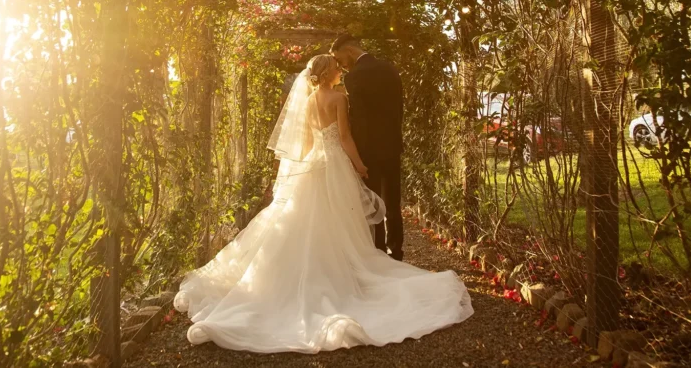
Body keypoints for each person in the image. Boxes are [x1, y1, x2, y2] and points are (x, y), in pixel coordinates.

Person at [173, 54, 472, 353]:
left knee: (306, 220)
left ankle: (310, 272)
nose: (342, 71)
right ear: (329, 73)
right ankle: (340, 272)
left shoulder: (305, 101)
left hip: (312, 166)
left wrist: (297, 171)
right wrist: (359, 166)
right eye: (337, 68)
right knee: (338, 220)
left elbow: (302, 145)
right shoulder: (339, 98)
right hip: (335, 166)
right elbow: (344, 137)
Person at [330, 34, 405, 261]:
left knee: (373, 203)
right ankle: (397, 252)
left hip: (369, 150)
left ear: (349, 51)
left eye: (339, 58)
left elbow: (360, 120)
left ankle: (379, 252)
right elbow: (399, 109)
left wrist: (356, 157)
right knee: (393, 201)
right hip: (392, 146)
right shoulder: (390, 69)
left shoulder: (354, 77)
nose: (340, 65)